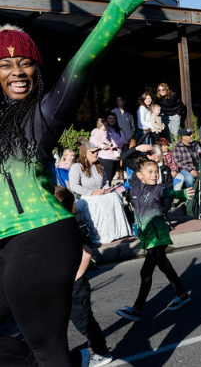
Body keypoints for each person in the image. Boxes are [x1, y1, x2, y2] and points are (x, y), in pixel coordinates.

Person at [0, 0, 155, 367]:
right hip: (5, 245)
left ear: (37, 69)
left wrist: (119, 7)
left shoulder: (41, 115)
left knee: (45, 346)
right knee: (44, 356)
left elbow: (82, 62)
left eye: (24, 63)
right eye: (4, 63)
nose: (16, 71)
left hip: (39, 236)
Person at [115, 160, 193, 322]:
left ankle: (137, 309)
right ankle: (182, 294)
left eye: (156, 171)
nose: (154, 174)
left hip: (158, 236)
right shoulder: (134, 190)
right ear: (139, 175)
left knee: (150, 270)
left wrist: (182, 194)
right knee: (163, 267)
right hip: (147, 236)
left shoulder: (159, 189)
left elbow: (169, 193)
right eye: (150, 172)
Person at [54, 187, 113, 367]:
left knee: (83, 321)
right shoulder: (61, 223)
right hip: (64, 284)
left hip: (75, 285)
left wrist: (75, 278)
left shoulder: (69, 224)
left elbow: (86, 253)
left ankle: (102, 352)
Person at [69, 142, 132, 244]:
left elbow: (105, 182)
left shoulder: (99, 165)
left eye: (96, 152)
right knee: (99, 202)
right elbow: (74, 186)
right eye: (92, 152)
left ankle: (119, 233)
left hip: (100, 194)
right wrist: (92, 193)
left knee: (114, 197)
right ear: (85, 154)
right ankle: (102, 236)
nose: (96, 154)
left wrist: (106, 189)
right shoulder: (76, 167)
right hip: (85, 197)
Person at [90, 115, 125, 184]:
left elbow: (122, 140)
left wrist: (113, 145)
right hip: (105, 157)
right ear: (107, 119)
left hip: (116, 157)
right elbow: (92, 140)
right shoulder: (101, 129)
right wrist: (102, 146)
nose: (112, 120)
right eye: (110, 118)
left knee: (111, 178)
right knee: (106, 179)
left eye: (114, 118)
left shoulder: (119, 130)